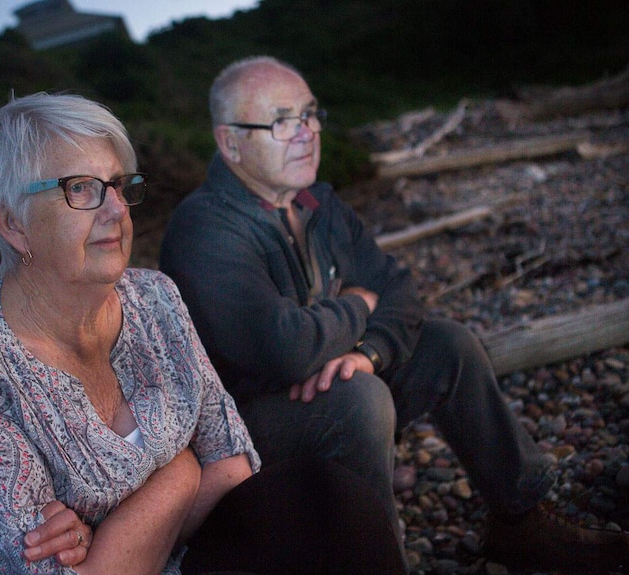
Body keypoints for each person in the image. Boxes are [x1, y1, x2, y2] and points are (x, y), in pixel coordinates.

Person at [158, 55, 629, 574]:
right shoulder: (204, 229)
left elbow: (401, 288)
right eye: (281, 121)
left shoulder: (318, 202)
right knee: (359, 401)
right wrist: (360, 303)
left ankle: (521, 520)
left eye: (310, 114)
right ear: (230, 143)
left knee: (449, 345)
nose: (307, 132)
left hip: (332, 380)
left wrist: (368, 352)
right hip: (243, 432)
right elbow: (284, 349)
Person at [0, 92, 406, 575]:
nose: (118, 210)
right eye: (81, 188)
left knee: (326, 496)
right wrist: (185, 471)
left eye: (119, 185)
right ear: (12, 224)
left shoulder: (154, 298)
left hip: (168, 553)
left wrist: (131, 518)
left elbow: (233, 465)